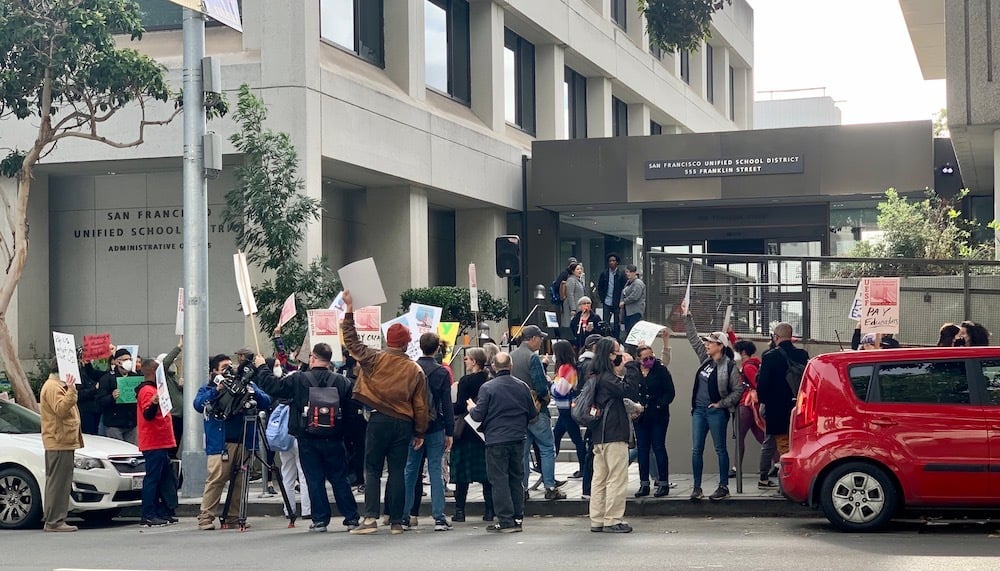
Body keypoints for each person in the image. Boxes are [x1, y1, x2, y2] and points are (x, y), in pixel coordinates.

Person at [341, 290, 428, 536]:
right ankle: (397, 522)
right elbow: (421, 404)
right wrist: (420, 430)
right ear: (406, 343)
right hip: (404, 423)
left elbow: (351, 341)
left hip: (378, 419)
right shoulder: (415, 369)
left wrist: (349, 309)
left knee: (373, 470)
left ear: (388, 340)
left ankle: (370, 519)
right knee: (398, 471)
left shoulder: (374, 358)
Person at [253, 343, 361, 533]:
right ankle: (351, 517)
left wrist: (262, 367)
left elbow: (274, 387)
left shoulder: (299, 380)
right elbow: (352, 412)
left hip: (307, 437)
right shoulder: (342, 382)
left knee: (314, 479)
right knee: (339, 478)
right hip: (334, 437)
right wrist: (347, 435)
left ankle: (320, 520)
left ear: (312, 358)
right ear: (329, 360)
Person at [193, 353, 271, 530]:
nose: (229, 371)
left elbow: (266, 401)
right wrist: (217, 390)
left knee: (240, 481)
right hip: (221, 444)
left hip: (244, 440)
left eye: (231, 367)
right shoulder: (208, 388)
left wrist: (251, 392)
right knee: (216, 480)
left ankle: (233, 517)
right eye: (224, 368)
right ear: (214, 371)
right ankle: (205, 517)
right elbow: (198, 405)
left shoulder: (246, 384)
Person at [467, 352, 537, 533]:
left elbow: (478, 415)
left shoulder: (488, 388)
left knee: (499, 480)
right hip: (517, 437)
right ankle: (518, 516)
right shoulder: (522, 386)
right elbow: (532, 414)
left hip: (496, 439)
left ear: (494, 367)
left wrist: (471, 408)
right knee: (516, 478)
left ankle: (505, 520)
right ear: (511, 366)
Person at [683, 311, 744, 501]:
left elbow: (738, 390)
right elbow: (693, 339)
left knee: (720, 448)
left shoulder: (730, 366)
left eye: (710, 342)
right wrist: (688, 317)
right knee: (696, 449)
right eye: (707, 342)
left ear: (721, 346)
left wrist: (721, 404)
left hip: (715, 412)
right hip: (699, 411)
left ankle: (723, 486)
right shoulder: (706, 359)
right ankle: (696, 487)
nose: (707, 344)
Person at [403, 332, 456, 532]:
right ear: (436, 349)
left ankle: (406, 515)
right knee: (435, 469)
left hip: (414, 426)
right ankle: (439, 517)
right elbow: (446, 405)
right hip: (436, 426)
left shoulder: (410, 369)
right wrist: (449, 431)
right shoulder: (441, 372)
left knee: (411, 470)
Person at [588, 337, 639, 533]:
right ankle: (613, 519)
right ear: (610, 355)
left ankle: (597, 518)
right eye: (617, 351)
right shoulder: (609, 378)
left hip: (599, 434)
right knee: (617, 477)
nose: (620, 354)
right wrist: (631, 365)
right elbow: (630, 390)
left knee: (600, 478)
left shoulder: (595, 375)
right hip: (614, 432)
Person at [511, 325, 566, 501]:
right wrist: (547, 391)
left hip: (518, 413)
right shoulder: (532, 358)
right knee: (547, 448)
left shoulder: (512, 357)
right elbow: (540, 386)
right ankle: (550, 486)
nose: (541, 341)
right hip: (537, 410)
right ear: (532, 338)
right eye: (540, 338)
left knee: (524, 454)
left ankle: (523, 489)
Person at [756, 322, 809, 488]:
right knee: (796, 445)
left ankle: (783, 482)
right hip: (799, 407)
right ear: (791, 337)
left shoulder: (770, 356)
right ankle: (794, 479)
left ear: (775, 337)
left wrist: (764, 402)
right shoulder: (803, 355)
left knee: (780, 446)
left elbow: (762, 386)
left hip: (776, 409)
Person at [450, 348, 495, 523]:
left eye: (467, 359)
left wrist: (448, 408)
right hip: (484, 430)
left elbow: (460, 406)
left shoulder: (466, 381)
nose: (465, 361)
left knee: (462, 474)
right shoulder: (489, 380)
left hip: (466, 430)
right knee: (486, 474)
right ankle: (490, 511)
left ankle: (460, 511)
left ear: (475, 361)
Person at [39, 359, 83, 532]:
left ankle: (56, 519)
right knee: (58, 482)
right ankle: (54, 521)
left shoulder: (57, 385)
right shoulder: (52, 387)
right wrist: (71, 391)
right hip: (58, 440)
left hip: (62, 440)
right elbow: (61, 409)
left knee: (60, 481)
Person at [135, 360, 178, 527]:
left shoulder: (154, 389)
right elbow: (148, 415)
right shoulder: (147, 391)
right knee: (153, 478)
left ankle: (162, 511)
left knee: (164, 477)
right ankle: (148, 514)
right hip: (154, 441)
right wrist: (153, 403)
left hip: (160, 440)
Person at [629, 343, 675, 498]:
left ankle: (663, 483)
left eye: (651, 357)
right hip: (640, 417)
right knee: (642, 449)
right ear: (638, 359)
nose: (649, 360)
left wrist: (659, 405)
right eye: (645, 358)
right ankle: (644, 484)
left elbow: (670, 392)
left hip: (658, 415)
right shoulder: (634, 372)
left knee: (658, 447)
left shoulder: (660, 370)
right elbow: (629, 390)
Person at [729, 339, 772, 482]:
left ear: (742, 352)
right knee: (761, 436)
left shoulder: (747, 367)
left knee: (740, 436)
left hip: (747, 404)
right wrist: (731, 334)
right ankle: (778, 461)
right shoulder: (753, 364)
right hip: (753, 405)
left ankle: (736, 468)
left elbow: (755, 384)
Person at [550, 340, 587, 479]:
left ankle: (584, 467)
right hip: (565, 408)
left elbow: (561, 391)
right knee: (557, 435)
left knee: (575, 439)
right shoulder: (569, 367)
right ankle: (548, 464)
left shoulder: (565, 368)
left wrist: (550, 384)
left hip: (566, 408)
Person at [95, 347, 139, 445]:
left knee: (132, 450)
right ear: (117, 362)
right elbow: (99, 401)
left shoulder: (135, 377)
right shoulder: (107, 378)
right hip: (114, 424)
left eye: (130, 359)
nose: (128, 362)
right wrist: (112, 397)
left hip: (131, 423)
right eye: (125, 360)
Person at [577, 333, 602, 500]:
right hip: (593, 408)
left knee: (591, 449)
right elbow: (591, 388)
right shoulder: (591, 364)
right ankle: (588, 488)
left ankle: (588, 487)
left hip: (587, 407)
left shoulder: (582, 362)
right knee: (592, 451)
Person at [155, 336, 183, 458]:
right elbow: (165, 364)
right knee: (171, 447)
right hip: (173, 415)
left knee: (176, 445)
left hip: (180, 415)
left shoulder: (173, 378)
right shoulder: (163, 376)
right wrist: (178, 347)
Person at [597, 253, 626, 339]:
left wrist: (622, 300)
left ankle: (616, 340)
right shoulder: (604, 274)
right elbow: (600, 287)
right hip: (607, 301)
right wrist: (602, 298)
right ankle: (606, 339)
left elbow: (624, 287)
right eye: (610, 261)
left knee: (617, 323)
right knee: (605, 322)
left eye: (613, 261)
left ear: (617, 262)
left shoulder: (621, 274)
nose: (611, 262)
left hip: (617, 302)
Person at [619, 265, 646, 341]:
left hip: (635, 311)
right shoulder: (628, 283)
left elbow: (635, 296)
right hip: (628, 312)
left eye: (630, 272)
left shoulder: (638, 283)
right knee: (627, 330)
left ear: (634, 273)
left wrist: (624, 302)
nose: (628, 274)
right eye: (627, 272)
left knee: (633, 331)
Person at [561, 263, 586, 327]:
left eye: (581, 269)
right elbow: (570, 294)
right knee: (569, 324)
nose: (580, 271)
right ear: (573, 271)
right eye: (577, 269)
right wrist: (573, 309)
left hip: (578, 307)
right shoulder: (571, 280)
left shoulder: (579, 280)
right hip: (571, 307)